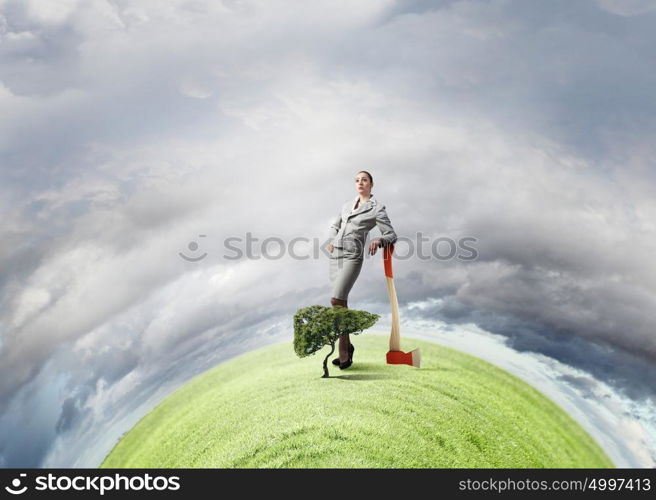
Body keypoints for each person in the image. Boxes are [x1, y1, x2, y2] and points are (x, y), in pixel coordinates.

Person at [327, 170, 398, 369]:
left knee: (336, 300)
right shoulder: (346, 205)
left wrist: (379, 239)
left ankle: (344, 352)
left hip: (352, 256)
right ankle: (347, 347)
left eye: (364, 180)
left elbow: (391, 234)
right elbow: (335, 225)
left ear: (371, 184)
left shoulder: (377, 208)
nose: (360, 183)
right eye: (357, 180)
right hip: (336, 256)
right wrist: (332, 240)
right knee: (339, 303)